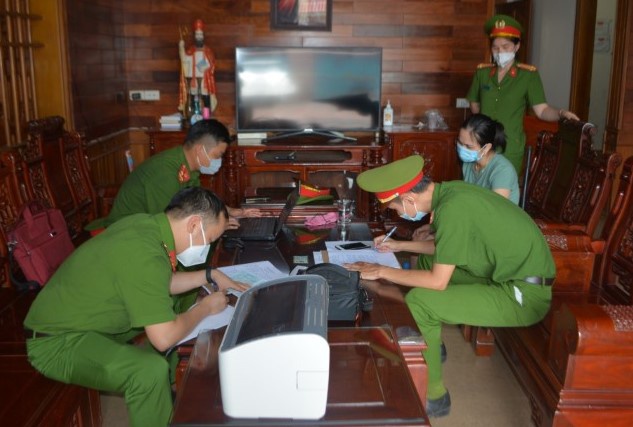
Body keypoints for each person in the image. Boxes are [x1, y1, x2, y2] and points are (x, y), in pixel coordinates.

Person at [344, 155, 555, 418]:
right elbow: (447, 245)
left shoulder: (452, 209)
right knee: (424, 261)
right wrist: (399, 245)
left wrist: (381, 270)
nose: (398, 214)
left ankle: (434, 396)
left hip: (523, 294)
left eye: (395, 208)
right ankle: (430, 343)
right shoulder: (451, 193)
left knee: (420, 301)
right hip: (505, 275)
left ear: (409, 198)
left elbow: (437, 281)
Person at [24, 187, 251, 427]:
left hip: (86, 323)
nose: (207, 247)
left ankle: (168, 402)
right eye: (210, 240)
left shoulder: (148, 226)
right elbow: (163, 337)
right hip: (56, 342)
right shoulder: (145, 253)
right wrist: (204, 308)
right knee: (148, 372)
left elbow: (160, 282)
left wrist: (210, 275)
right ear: (194, 224)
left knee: (165, 321)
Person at [466, 14, 580, 174]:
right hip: (480, 146)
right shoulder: (482, 73)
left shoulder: (528, 75)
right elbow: (475, 106)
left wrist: (561, 113)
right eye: (495, 47)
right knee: (476, 186)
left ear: (517, 46)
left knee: (504, 188)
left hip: (509, 147)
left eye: (505, 47)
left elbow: (542, 110)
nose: (500, 51)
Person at [98, 119, 261, 230]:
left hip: (152, 224)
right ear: (200, 150)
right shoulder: (165, 171)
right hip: (129, 231)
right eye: (217, 155)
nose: (219, 161)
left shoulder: (188, 164)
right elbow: (169, 221)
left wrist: (229, 211)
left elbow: (198, 200)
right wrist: (216, 224)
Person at [412, 113, 519, 241]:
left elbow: (493, 213)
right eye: (460, 143)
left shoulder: (502, 170)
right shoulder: (470, 163)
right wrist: (434, 226)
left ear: (486, 148)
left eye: (468, 146)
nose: (462, 149)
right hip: (474, 221)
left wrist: (440, 232)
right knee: (424, 238)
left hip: (496, 229)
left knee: (432, 242)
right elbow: (464, 200)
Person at [179, 19, 217, 117]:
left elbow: (211, 63)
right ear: (195, 36)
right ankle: (194, 119)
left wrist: (201, 66)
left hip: (204, 82)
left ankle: (206, 119)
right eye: (197, 34)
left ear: (203, 36)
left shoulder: (207, 50)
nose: (199, 36)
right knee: (193, 102)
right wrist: (181, 48)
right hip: (193, 81)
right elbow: (184, 60)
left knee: (206, 102)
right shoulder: (191, 50)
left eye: (200, 34)